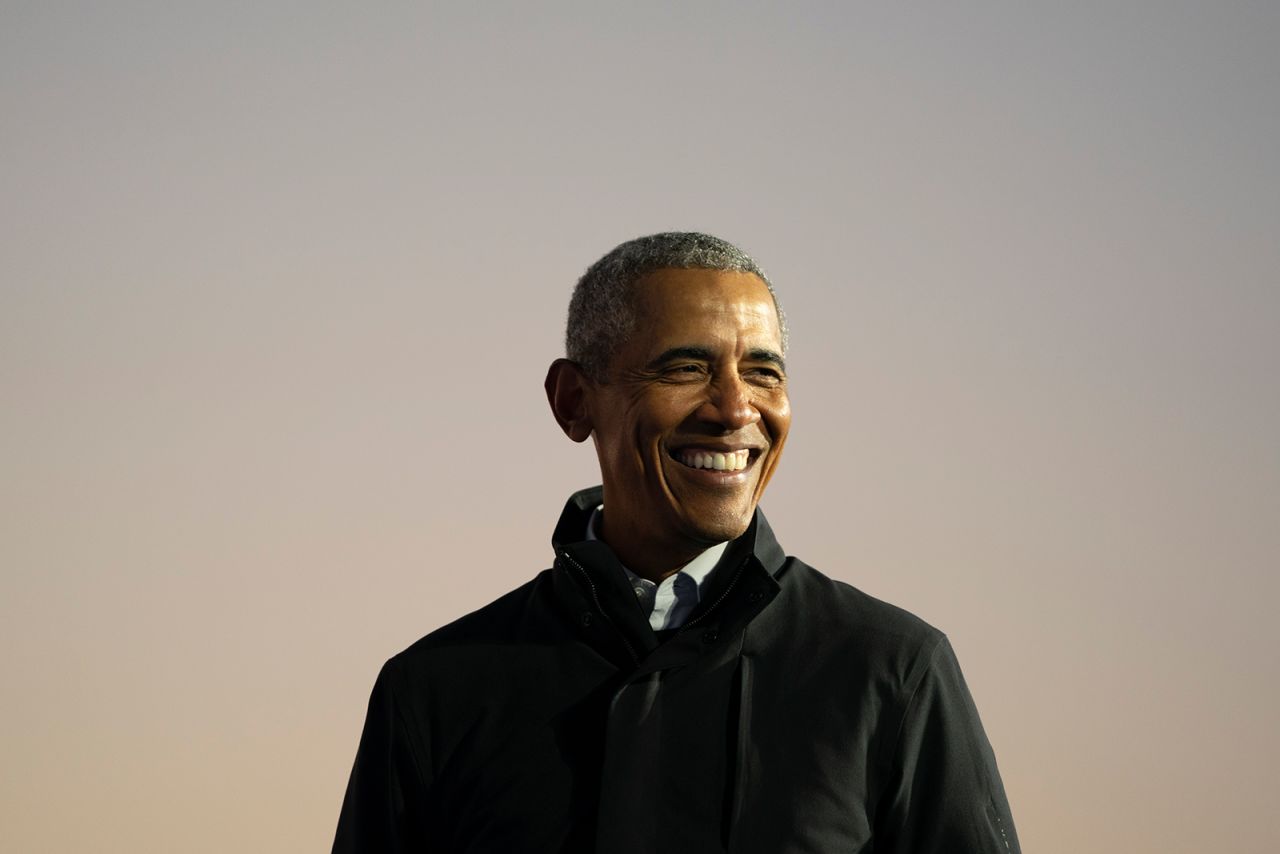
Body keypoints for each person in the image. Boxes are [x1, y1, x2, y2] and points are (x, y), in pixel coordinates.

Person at [332, 232, 1021, 853]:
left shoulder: (893, 672)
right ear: (574, 401)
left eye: (764, 371)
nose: (734, 409)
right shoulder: (432, 692)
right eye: (686, 369)